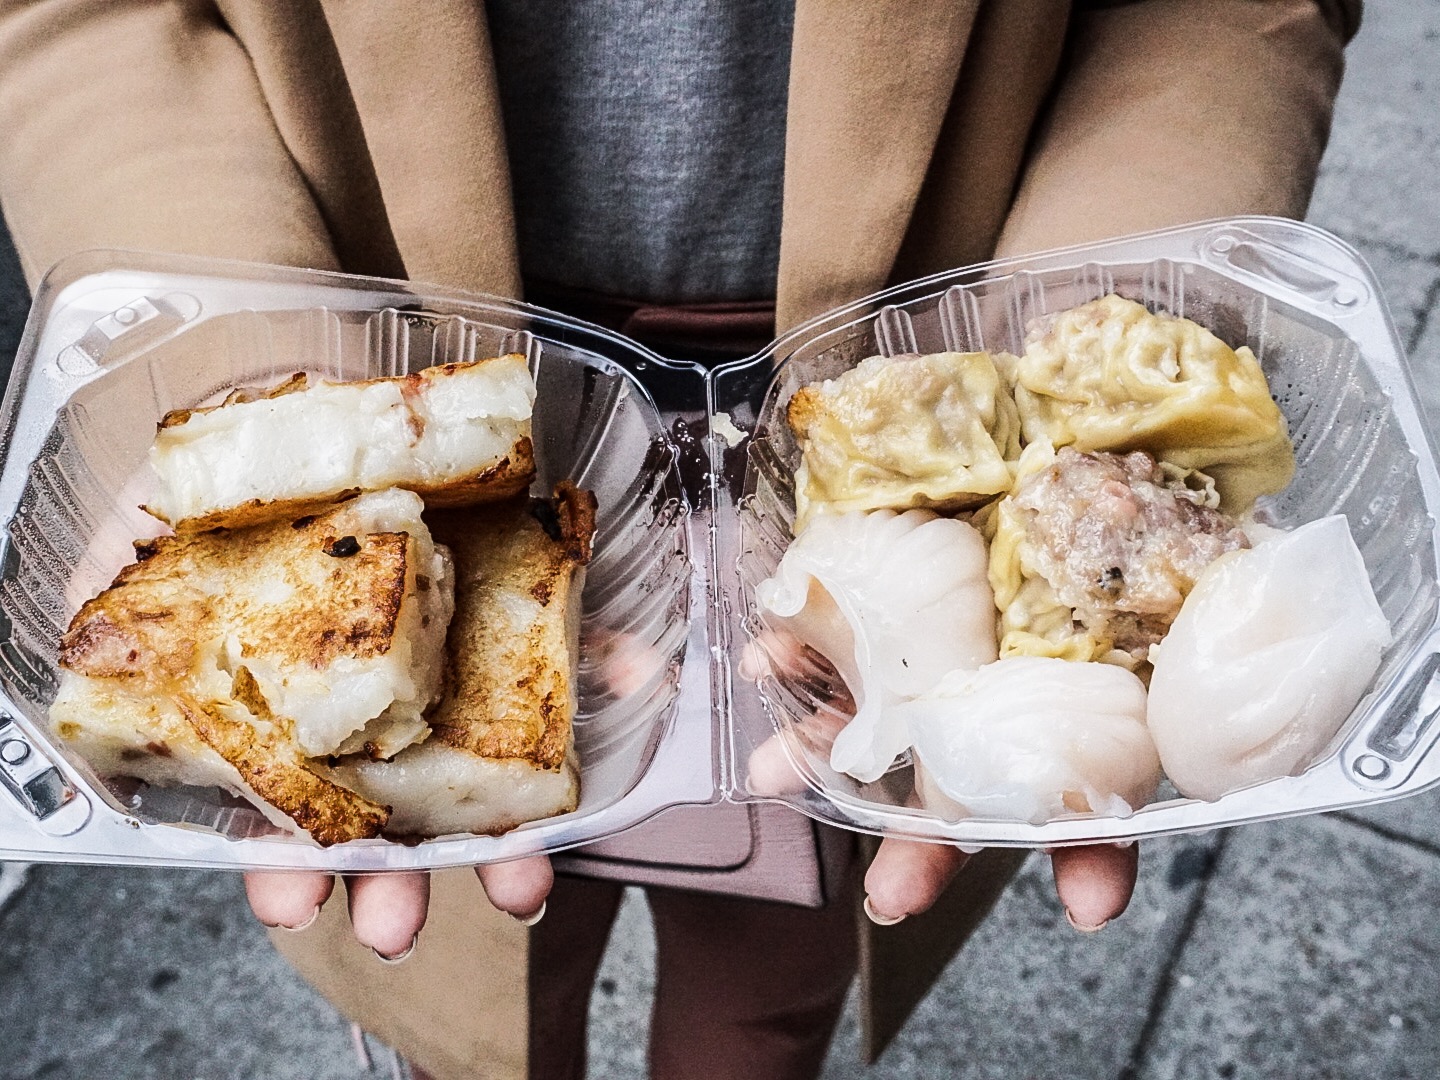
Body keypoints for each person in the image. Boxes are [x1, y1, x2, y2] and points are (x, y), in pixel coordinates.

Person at [0, 1, 1360, 1077]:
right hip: (380, 323)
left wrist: (1094, 360)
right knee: (465, 986)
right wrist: (245, 375)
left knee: (774, 982)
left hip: (899, 399)